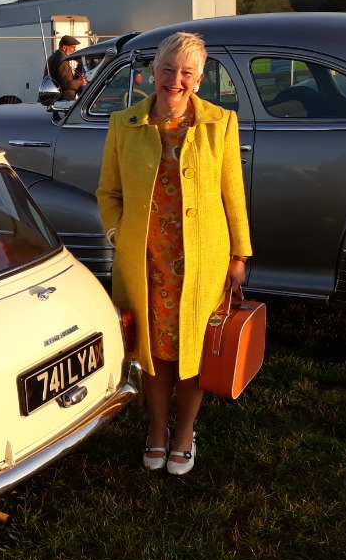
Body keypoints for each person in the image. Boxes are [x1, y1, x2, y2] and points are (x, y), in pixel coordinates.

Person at [96, 31, 252, 476]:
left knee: (193, 350)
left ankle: (185, 432)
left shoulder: (219, 123)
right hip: (145, 260)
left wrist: (239, 254)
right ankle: (157, 430)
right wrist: (115, 231)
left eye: (186, 72)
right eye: (168, 70)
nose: (175, 80)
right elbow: (108, 191)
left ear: (199, 79)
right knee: (153, 350)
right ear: (153, 72)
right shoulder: (125, 124)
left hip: (201, 261)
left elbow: (233, 195)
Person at [45, 35, 86, 100]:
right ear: (64, 47)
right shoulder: (62, 59)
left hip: (55, 99)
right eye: (72, 47)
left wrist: (79, 66)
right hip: (62, 101)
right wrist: (79, 82)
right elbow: (64, 83)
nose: (74, 50)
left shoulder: (53, 57)